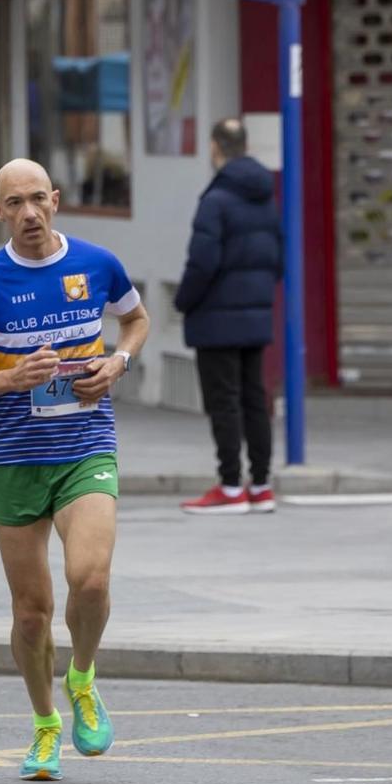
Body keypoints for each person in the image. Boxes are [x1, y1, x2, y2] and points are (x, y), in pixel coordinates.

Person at [0, 159, 151, 781]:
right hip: (15, 457)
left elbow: (135, 320)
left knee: (90, 579)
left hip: (87, 444)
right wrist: (11, 376)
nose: (29, 213)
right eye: (15, 204)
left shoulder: (97, 263)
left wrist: (120, 362)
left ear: (55, 200)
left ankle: (81, 676)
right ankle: (44, 723)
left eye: (38, 199)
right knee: (31, 611)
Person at [175, 118, 283, 515]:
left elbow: (202, 261)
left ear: (215, 146)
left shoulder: (216, 199)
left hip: (216, 320)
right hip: (254, 317)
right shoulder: (265, 197)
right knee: (255, 399)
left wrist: (184, 300)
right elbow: (278, 257)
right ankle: (262, 485)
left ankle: (232, 485)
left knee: (224, 402)